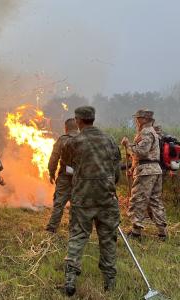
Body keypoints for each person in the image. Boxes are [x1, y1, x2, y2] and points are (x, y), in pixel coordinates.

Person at [63, 106, 121, 296]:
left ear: (78, 120)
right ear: (93, 119)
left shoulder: (74, 142)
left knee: (78, 236)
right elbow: (116, 172)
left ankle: (70, 280)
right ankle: (109, 281)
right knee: (108, 239)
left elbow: (69, 165)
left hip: (83, 198)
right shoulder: (110, 140)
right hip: (106, 198)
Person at [121, 109, 167, 240]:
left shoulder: (146, 132)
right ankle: (162, 232)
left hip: (146, 172)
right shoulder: (153, 131)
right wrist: (133, 167)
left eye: (138, 118)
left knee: (138, 200)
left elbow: (142, 152)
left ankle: (136, 232)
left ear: (145, 119)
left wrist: (127, 145)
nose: (136, 120)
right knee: (155, 201)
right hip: (154, 170)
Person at [46, 118, 78, 233]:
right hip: (80, 179)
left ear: (66, 128)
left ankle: (52, 229)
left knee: (59, 203)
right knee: (76, 205)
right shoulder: (85, 140)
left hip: (65, 177)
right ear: (77, 127)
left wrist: (51, 172)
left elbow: (54, 158)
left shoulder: (62, 140)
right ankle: (74, 230)